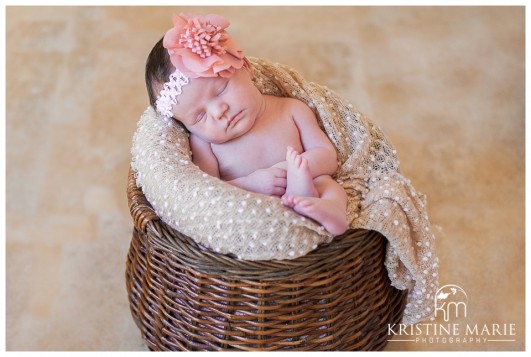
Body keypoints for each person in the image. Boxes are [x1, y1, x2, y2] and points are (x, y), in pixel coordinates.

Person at [145, 13, 348, 235]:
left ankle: (332, 210)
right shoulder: (204, 144)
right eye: (200, 117)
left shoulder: (291, 109)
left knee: (329, 186)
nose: (218, 112)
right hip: (253, 214)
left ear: (246, 68)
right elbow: (207, 190)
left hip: (312, 190)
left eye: (221, 90)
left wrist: (292, 170)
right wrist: (252, 184)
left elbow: (327, 156)